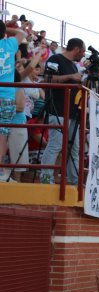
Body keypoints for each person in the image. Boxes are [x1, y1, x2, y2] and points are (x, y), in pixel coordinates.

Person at [39, 38, 86, 185]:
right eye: (83, 51)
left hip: (72, 112)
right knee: (55, 144)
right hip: (57, 110)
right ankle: (46, 178)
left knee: (75, 148)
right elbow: (47, 79)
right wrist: (71, 77)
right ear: (77, 49)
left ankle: (74, 181)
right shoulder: (55, 58)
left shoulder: (73, 66)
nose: (83, 55)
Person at [0, 22, 26, 181]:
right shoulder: (9, 44)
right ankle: (0, 170)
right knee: (2, 136)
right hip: (7, 98)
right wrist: (5, 30)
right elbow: (21, 32)